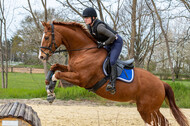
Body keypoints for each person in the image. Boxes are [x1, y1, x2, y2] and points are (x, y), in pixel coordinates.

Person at [83, 7, 123, 94]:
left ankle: (113, 84)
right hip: (108, 43)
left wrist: (103, 44)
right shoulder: (90, 27)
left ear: (93, 18)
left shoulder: (99, 27)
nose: (85, 19)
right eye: (84, 18)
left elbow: (112, 37)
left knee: (112, 61)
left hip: (116, 42)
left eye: (87, 18)